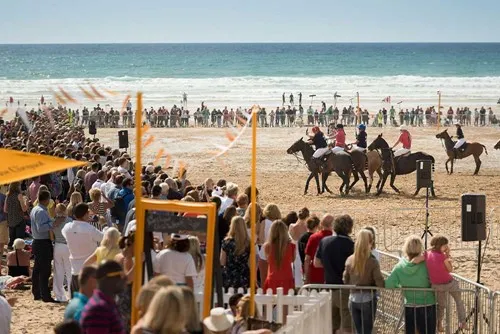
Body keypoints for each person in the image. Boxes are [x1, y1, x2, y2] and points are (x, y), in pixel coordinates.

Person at [385, 236, 436, 334]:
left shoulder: (400, 266)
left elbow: (388, 284)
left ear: (406, 248)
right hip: (428, 304)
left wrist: (401, 287)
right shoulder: (427, 264)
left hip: (410, 305)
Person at [314, 214, 355, 333]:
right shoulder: (350, 244)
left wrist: (328, 265)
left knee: (331, 325)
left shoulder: (324, 241)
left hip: (328, 287)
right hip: (344, 288)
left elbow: (316, 263)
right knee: (347, 325)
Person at [420, 235, 466, 331]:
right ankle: (462, 322)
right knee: (459, 301)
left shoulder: (427, 254)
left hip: (436, 286)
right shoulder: (442, 256)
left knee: (441, 306)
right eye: (445, 246)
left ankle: (439, 323)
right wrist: (448, 255)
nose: (446, 247)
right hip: (449, 283)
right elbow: (450, 269)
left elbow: (420, 257)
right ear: (440, 245)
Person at [343, 229, 384, 334]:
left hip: (353, 298)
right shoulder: (372, 261)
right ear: (370, 243)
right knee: (367, 331)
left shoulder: (349, 260)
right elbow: (379, 282)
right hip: (368, 299)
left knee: (358, 330)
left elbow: (345, 279)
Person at [62, 203, 104, 296]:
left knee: (76, 301)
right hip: (90, 269)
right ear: (85, 214)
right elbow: (103, 238)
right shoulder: (90, 229)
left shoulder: (67, 228)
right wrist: (104, 226)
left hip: (75, 269)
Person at [80, 260, 127, 334]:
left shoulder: (106, 303)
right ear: (108, 279)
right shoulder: (99, 309)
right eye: (121, 275)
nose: (125, 279)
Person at [31, 189, 58, 302]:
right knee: (45, 270)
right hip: (42, 242)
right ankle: (45, 295)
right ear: (47, 199)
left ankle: (37, 293)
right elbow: (41, 228)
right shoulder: (41, 211)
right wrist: (53, 223)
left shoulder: (36, 209)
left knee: (37, 269)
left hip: (38, 242)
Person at [263, 220, 295, 293]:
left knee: (270, 303)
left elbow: (267, 260)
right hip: (287, 278)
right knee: (287, 302)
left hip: (272, 278)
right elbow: (292, 260)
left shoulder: (267, 246)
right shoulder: (292, 246)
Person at [221, 216, 250, 290]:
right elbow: (250, 263)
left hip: (229, 276)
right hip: (244, 276)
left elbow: (222, 262)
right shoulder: (248, 243)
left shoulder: (226, 242)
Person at [52, 203, 72, 302]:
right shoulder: (69, 221)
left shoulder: (53, 221)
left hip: (57, 245)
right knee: (69, 271)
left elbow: (51, 235)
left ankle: (59, 295)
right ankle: (71, 294)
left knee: (58, 271)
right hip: (67, 246)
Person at [304, 214, 334, 284]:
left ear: (321, 224)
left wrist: (306, 278)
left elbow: (307, 259)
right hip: (332, 277)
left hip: (315, 277)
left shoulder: (313, 237)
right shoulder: (336, 238)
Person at [258, 204, 281, 286]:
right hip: (275, 253)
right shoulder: (279, 224)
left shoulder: (264, 222)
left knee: (264, 280)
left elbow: (261, 239)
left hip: (264, 253)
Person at [5, 182, 28, 249]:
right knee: (19, 241)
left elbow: (5, 210)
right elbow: (24, 209)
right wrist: (26, 202)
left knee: (12, 241)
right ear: (17, 186)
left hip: (11, 221)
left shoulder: (7, 195)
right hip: (19, 220)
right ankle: (18, 256)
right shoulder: (19, 195)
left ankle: (11, 256)